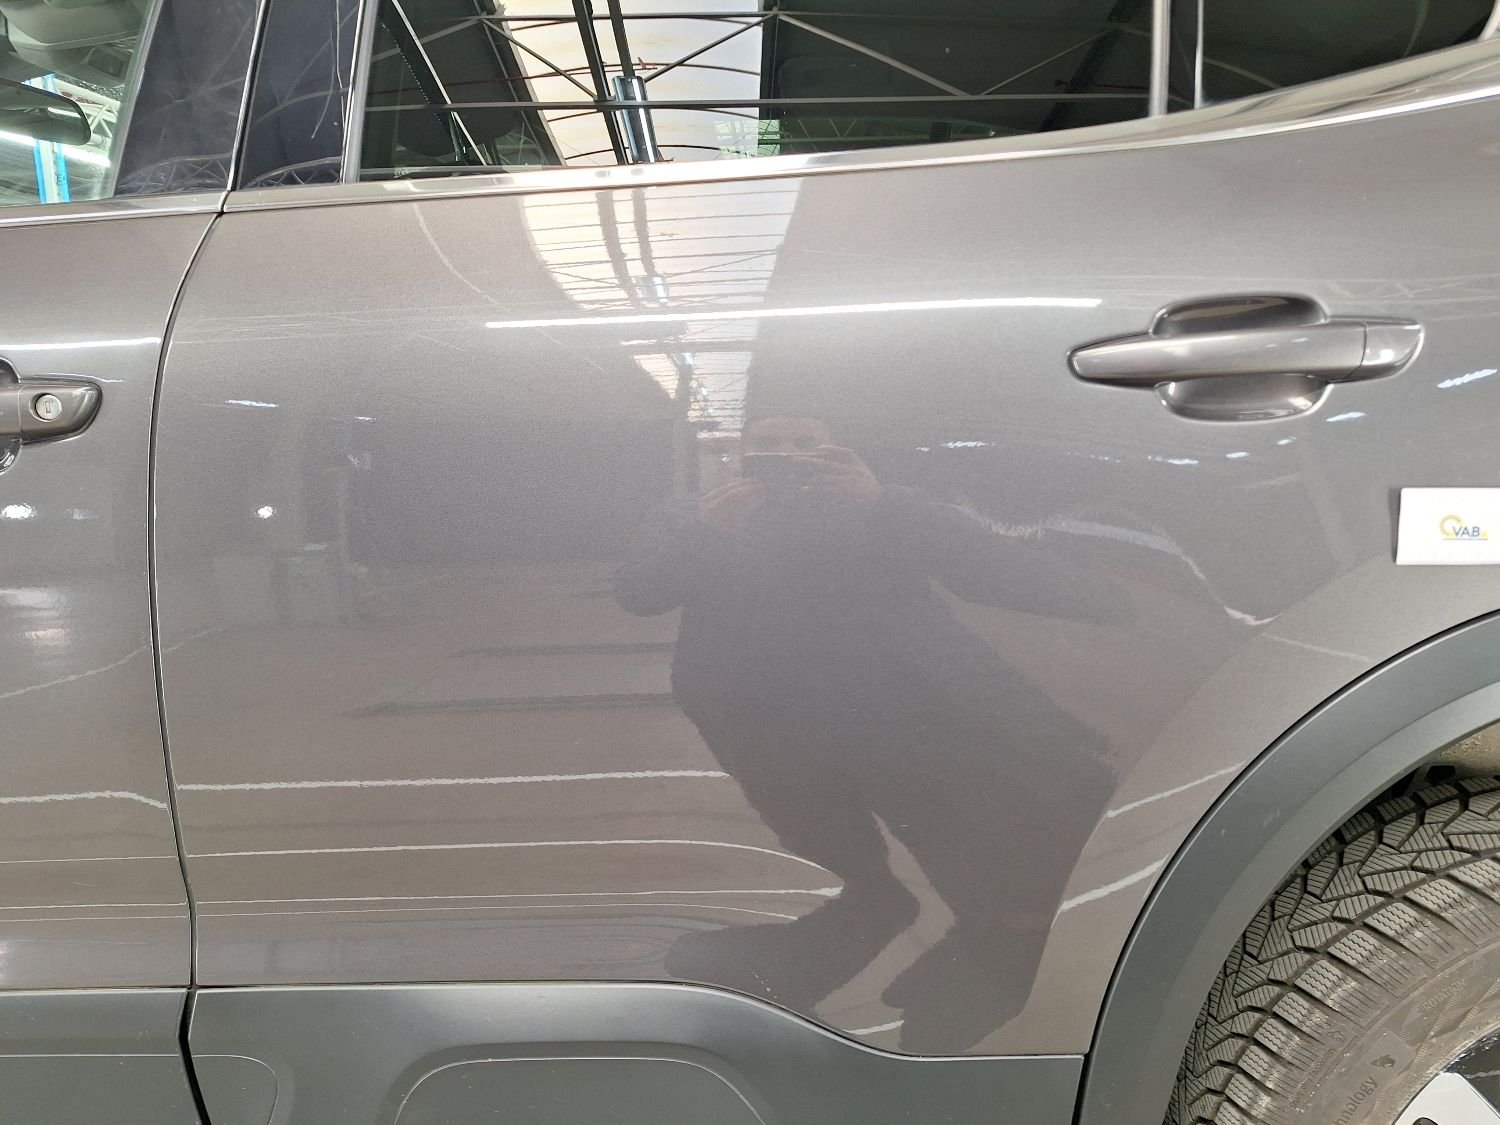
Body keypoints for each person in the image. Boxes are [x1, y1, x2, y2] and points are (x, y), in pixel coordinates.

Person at [614, 415, 1116, 1052]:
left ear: (839, 449)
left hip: (902, 716)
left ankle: (981, 968)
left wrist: (882, 504)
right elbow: (639, 592)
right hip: (763, 723)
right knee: (826, 842)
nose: (788, 457)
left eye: (807, 443)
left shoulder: (878, 504)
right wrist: (707, 533)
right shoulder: (697, 514)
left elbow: (996, 572)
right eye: (768, 444)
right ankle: (881, 921)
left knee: (961, 846)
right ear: (739, 451)